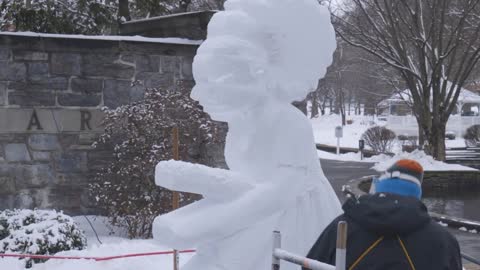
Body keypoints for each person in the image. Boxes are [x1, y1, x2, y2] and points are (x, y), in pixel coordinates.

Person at [304, 159, 462, 270]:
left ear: (380, 188)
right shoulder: (443, 241)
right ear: (416, 194)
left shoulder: (340, 228)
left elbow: (310, 265)